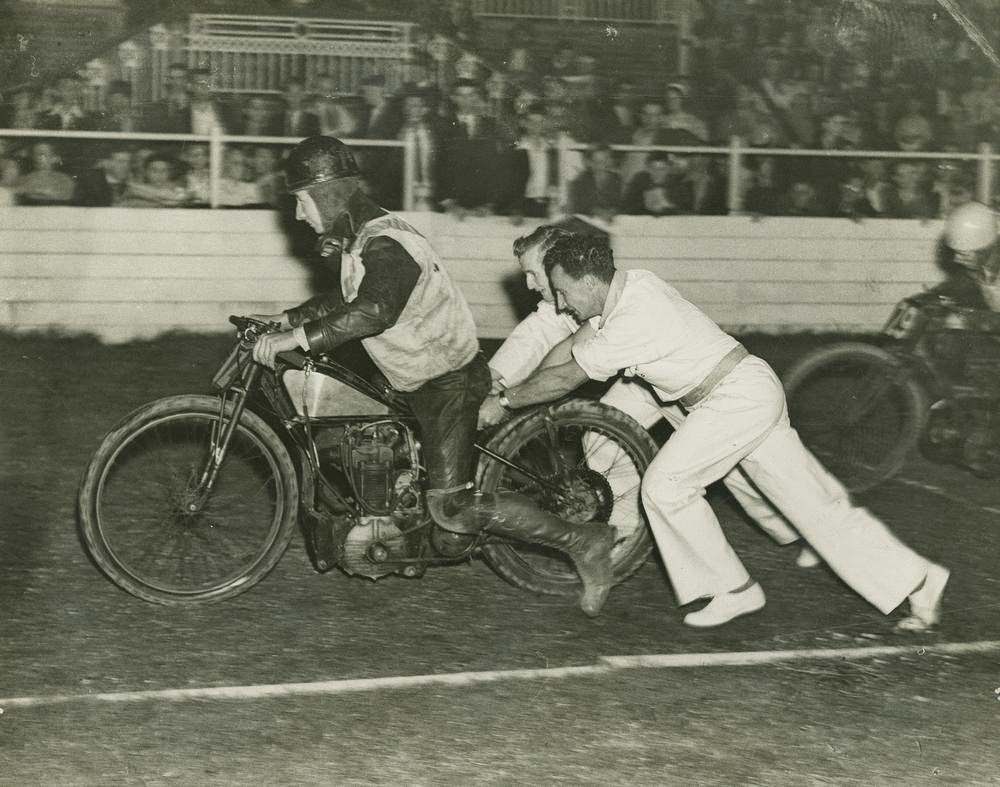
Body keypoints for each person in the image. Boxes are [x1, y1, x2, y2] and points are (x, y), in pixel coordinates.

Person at [480, 233, 949, 630]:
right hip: (738, 392)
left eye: (563, 292)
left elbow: (567, 377)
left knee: (666, 486)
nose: (561, 303)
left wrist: (502, 401)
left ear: (586, 280)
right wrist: (511, 384)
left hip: (733, 399)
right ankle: (921, 580)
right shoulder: (627, 288)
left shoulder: (635, 315)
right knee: (815, 508)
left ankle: (735, 588)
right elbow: (570, 346)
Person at [247, 135, 615, 616]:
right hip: (410, 375)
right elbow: (348, 301)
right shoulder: (362, 239)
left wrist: (297, 339)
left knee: (451, 513)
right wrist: (289, 319)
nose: (298, 215)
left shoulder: (386, 242)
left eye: (301, 200)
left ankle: (584, 540)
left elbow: (375, 310)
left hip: (446, 383)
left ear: (326, 193)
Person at [486, 225, 819, 571]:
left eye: (531, 273)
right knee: (603, 438)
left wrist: (508, 398)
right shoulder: (558, 299)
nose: (528, 284)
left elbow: (569, 359)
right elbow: (540, 340)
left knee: (739, 468)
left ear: (556, 261)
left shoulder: (593, 287)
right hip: (644, 382)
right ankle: (622, 532)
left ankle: (803, 529)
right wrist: (496, 382)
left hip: (685, 377)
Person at [937, 200, 1000, 311]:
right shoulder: (978, 268)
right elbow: (956, 285)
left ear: (984, 249)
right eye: (956, 252)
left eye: (963, 254)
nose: (957, 259)